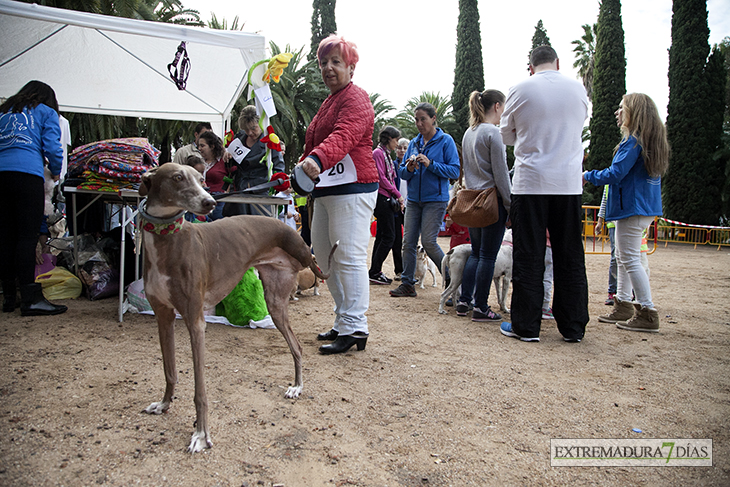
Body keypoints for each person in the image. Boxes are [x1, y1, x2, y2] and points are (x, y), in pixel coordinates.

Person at [498, 46, 589, 343]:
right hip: (568, 183)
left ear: (531, 66)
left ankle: (526, 326)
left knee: (529, 255)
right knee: (570, 255)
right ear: (558, 62)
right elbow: (578, 126)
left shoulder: (520, 89)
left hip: (532, 181)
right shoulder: (577, 89)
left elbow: (506, 135)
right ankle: (573, 326)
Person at [294, 35, 378, 354]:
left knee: (350, 257)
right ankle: (345, 321)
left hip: (353, 189)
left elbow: (344, 136)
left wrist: (315, 160)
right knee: (326, 259)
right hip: (326, 190)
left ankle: (356, 325)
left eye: (336, 62)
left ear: (351, 68)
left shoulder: (355, 98)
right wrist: (304, 168)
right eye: (324, 63)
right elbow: (314, 142)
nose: (329, 68)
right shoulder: (329, 101)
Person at [584, 92, 669, 333]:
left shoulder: (633, 141)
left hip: (630, 207)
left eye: (622, 108)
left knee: (629, 259)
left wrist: (587, 176)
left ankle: (647, 311)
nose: (617, 113)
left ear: (634, 113)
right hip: (641, 207)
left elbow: (615, 173)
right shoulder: (648, 140)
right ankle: (623, 305)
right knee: (624, 257)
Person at [0, 80, 68, 316]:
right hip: (27, 175)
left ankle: (9, 297)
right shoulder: (45, 111)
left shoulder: (3, 112)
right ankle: (30, 300)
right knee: (27, 238)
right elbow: (53, 146)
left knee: (6, 236)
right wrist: (57, 170)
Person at [389, 103, 460, 298]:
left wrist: (431, 164)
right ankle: (407, 284)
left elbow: (454, 170)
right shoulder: (413, 143)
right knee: (408, 242)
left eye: (423, 119)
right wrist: (409, 169)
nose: (419, 124)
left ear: (433, 118)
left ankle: (453, 283)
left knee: (429, 242)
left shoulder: (446, 141)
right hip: (413, 200)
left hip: (435, 200)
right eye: (416, 120)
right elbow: (402, 172)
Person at [454, 90, 512, 322]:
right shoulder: (493, 133)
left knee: (476, 253)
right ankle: (481, 306)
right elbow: (501, 175)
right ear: (497, 106)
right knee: (488, 255)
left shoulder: (469, 132)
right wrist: (510, 205)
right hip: (491, 201)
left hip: (472, 199)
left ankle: (463, 300)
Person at [224, 105, 285, 217]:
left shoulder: (270, 141)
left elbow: (279, 169)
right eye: (246, 129)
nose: (250, 132)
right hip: (240, 192)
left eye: (253, 128)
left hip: (261, 195)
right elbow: (230, 167)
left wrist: (268, 186)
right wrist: (228, 155)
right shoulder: (239, 139)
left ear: (261, 123)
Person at [368, 126, 404, 285]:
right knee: (390, 236)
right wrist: (397, 194)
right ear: (388, 138)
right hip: (382, 198)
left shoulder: (386, 154)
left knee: (382, 235)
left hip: (386, 197)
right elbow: (381, 178)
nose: (397, 144)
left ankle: (374, 270)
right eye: (396, 140)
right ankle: (375, 271)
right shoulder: (378, 154)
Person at [198, 131, 229, 220]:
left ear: (212, 146)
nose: (199, 148)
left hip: (219, 203)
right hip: (201, 202)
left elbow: (233, 177)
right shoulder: (198, 161)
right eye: (199, 146)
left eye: (202, 146)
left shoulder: (224, 161)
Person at [390, 137, 409, 280]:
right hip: (396, 207)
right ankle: (399, 270)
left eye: (405, 148)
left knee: (410, 239)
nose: (402, 150)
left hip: (411, 206)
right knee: (396, 238)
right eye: (399, 147)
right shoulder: (391, 165)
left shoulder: (413, 165)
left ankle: (411, 269)